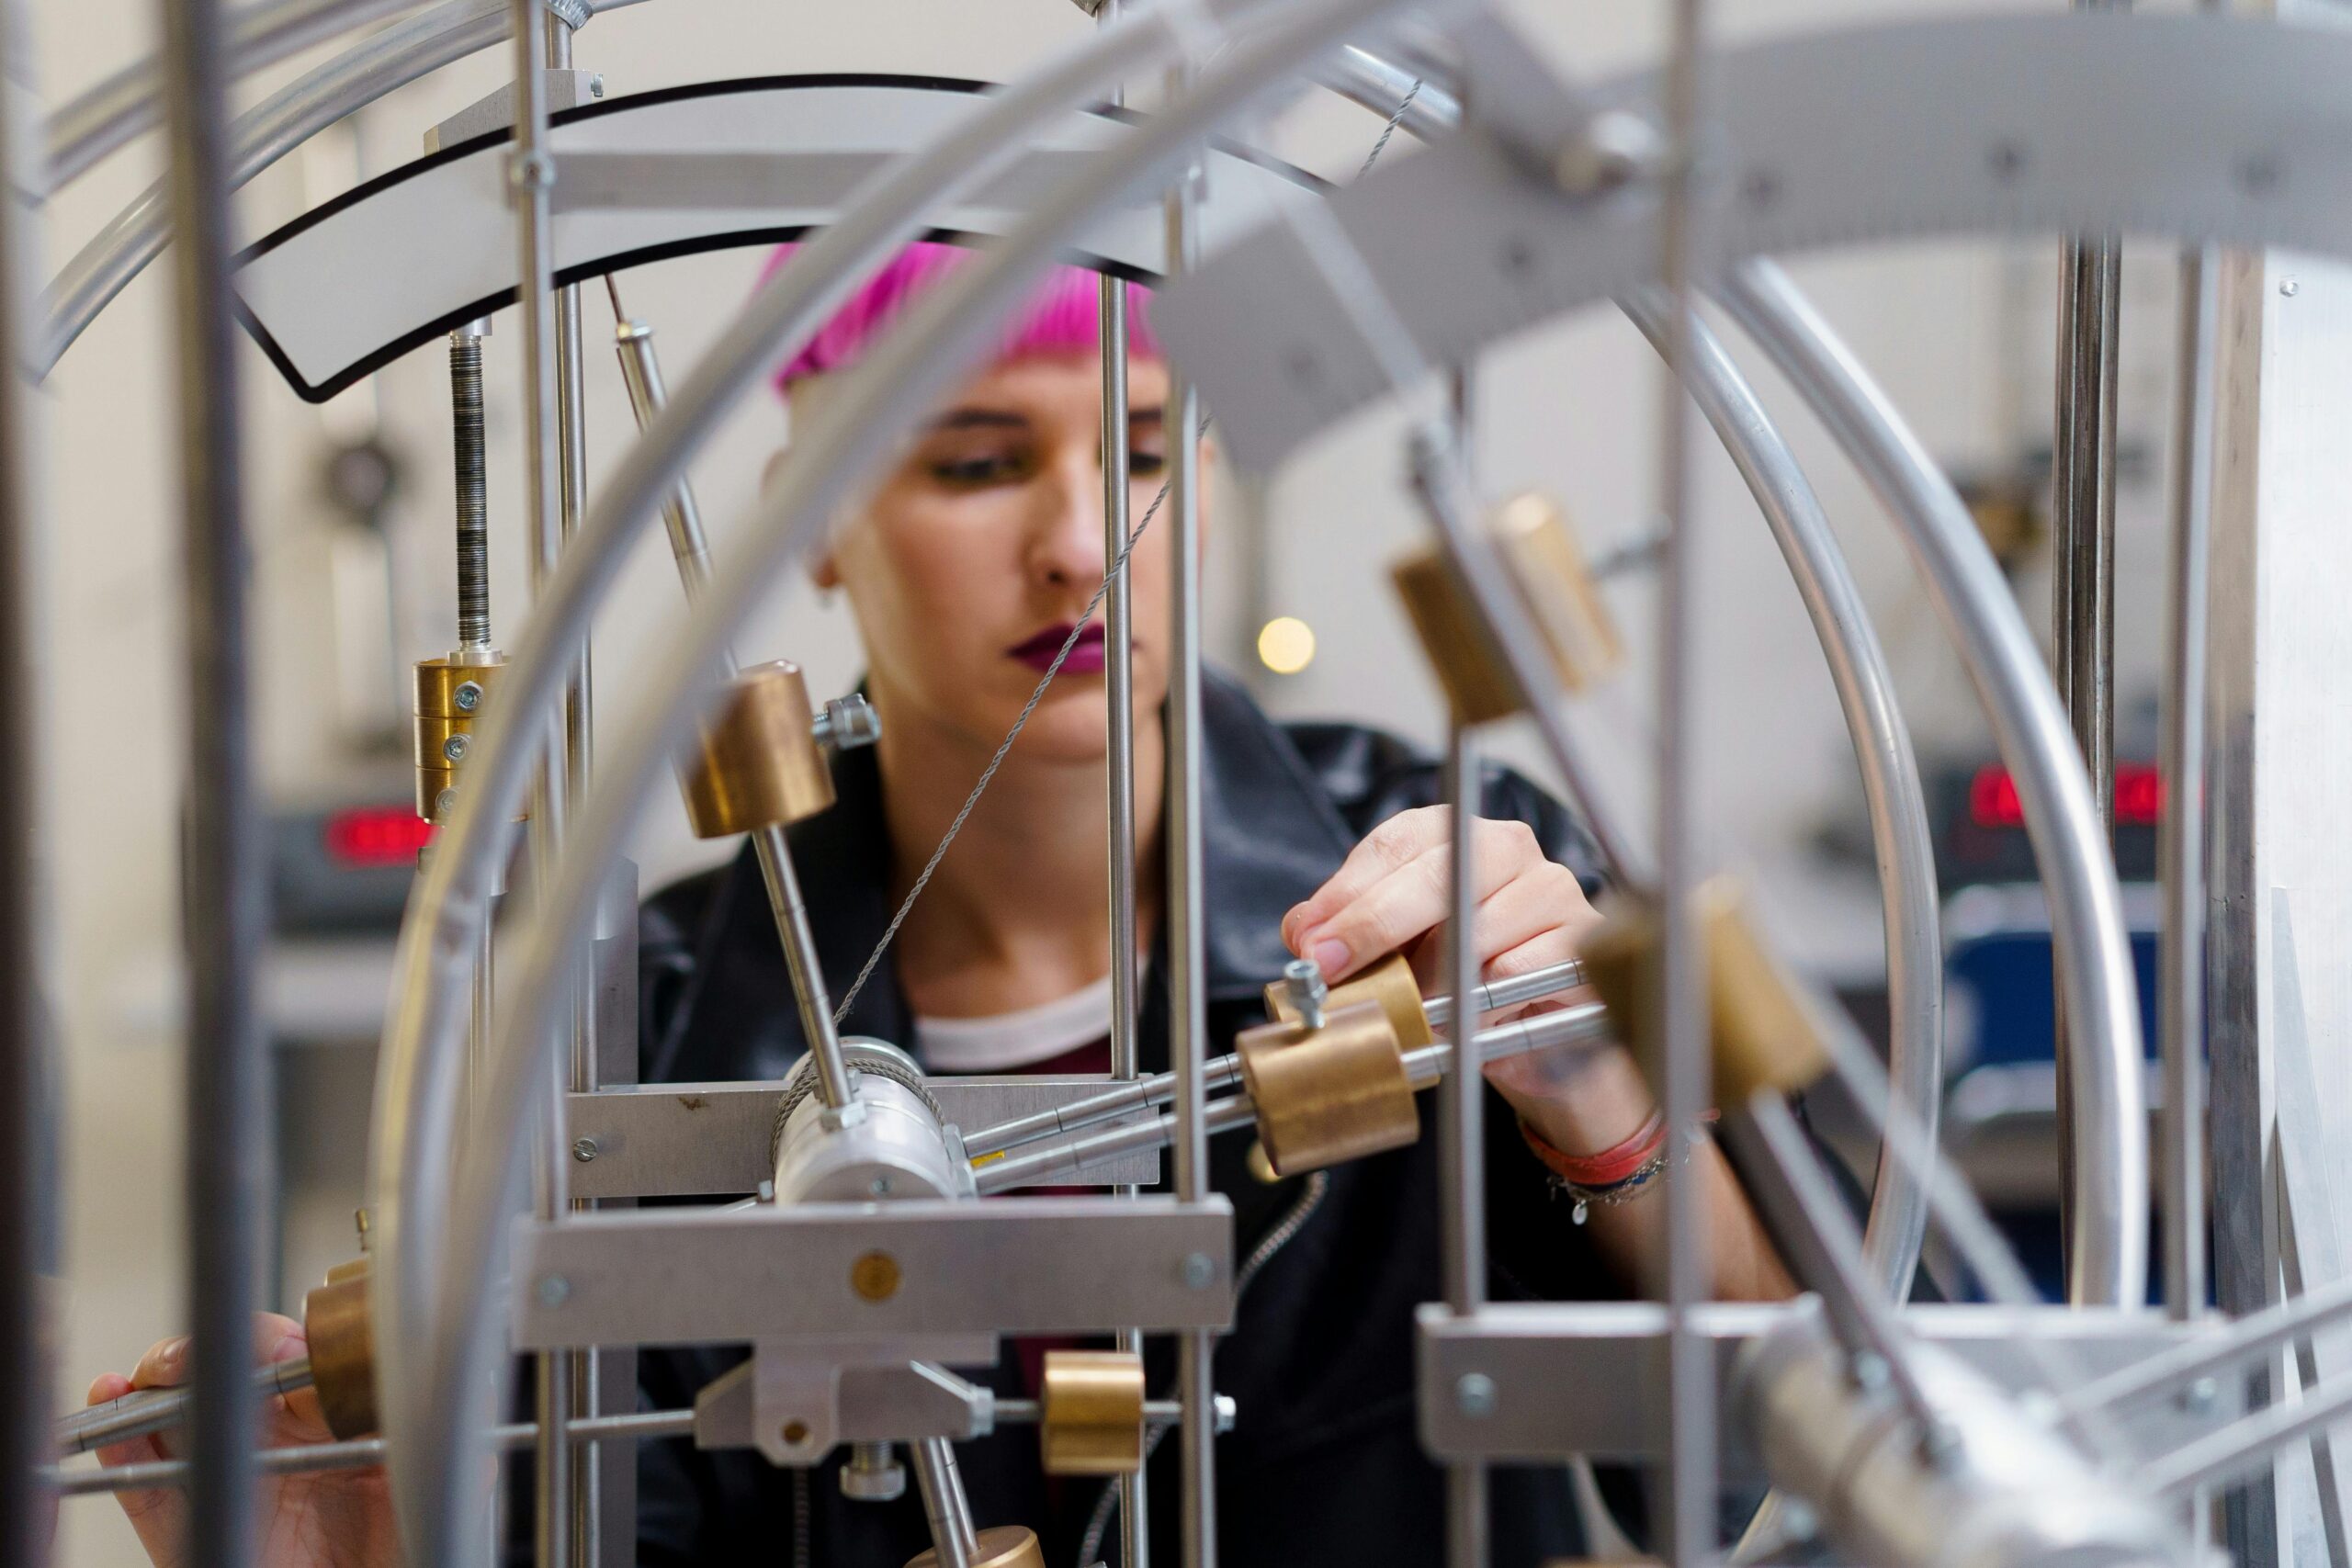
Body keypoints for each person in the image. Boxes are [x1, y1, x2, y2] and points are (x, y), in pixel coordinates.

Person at [94, 242, 1792, 1567]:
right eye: (978, 462)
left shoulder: (1468, 892)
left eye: (1143, 450)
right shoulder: (649, 1024)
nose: (1078, 543)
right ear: (817, 521)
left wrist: (1608, 1110)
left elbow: (1775, 1457)